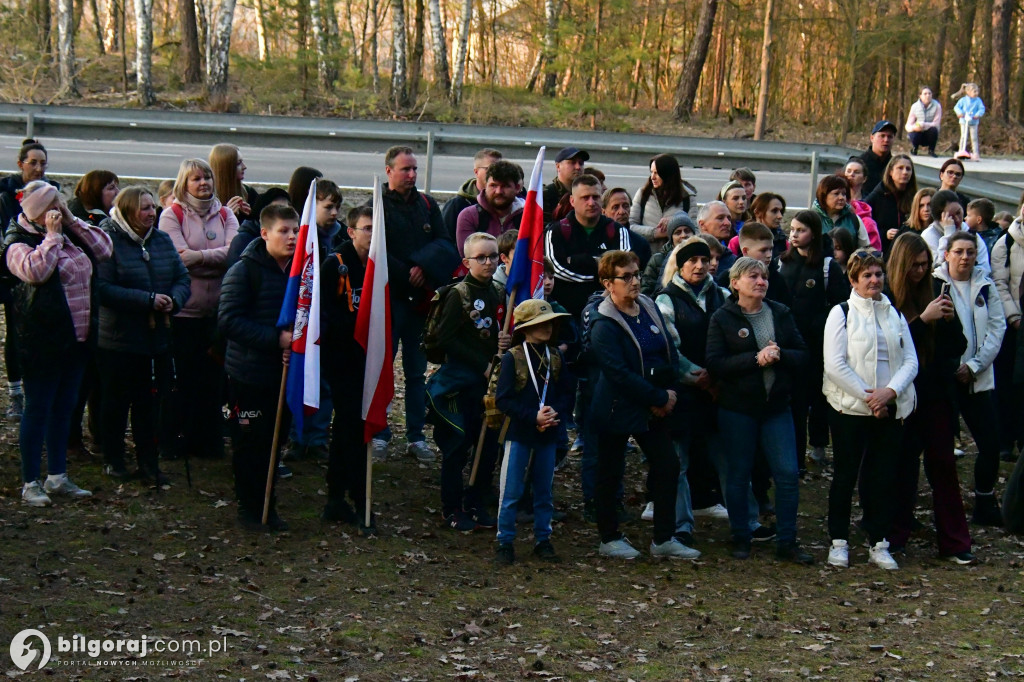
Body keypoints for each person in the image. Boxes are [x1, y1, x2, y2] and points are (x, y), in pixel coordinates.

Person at [1, 180, 113, 506]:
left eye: (59, 205)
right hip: (41, 343)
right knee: (38, 410)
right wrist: (52, 237)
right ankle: (29, 481)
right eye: (52, 207)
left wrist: (72, 220)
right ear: (37, 214)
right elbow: (37, 272)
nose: (57, 212)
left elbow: (104, 250)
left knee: (65, 409)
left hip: (76, 339)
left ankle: (57, 476)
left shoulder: (69, 231)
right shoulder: (16, 243)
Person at [705, 257, 813, 564]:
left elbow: (803, 354)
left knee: (788, 474)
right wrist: (755, 359)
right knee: (739, 474)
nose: (761, 282)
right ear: (736, 283)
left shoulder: (780, 313)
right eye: (753, 277)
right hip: (737, 409)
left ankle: (787, 540)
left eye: (764, 277)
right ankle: (741, 535)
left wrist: (780, 356)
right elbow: (715, 364)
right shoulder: (722, 318)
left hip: (776, 408)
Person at [589, 250, 694, 560]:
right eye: (627, 277)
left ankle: (664, 537)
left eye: (636, 274)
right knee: (610, 471)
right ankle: (609, 537)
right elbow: (618, 373)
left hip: (655, 404)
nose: (635, 282)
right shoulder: (603, 323)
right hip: (617, 407)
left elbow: (669, 350)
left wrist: (669, 392)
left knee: (667, 465)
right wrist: (658, 397)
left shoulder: (648, 305)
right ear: (609, 283)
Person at [824, 249, 918, 570]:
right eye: (867, 275)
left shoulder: (895, 314)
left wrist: (889, 393)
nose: (874, 280)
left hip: (890, 409)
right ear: (854, 279)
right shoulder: (842, 313)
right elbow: (835, 365)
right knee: (845, 475)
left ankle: (879, 541)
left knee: (882, 477)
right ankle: (838, 541)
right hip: (851, 409)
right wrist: (870, 398)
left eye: (878, 274)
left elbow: (910, 361)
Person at [886, 233, 976, 563]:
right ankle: (894, 536)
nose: (921, 271)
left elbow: (956, 347)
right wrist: (923, 320)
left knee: (943, 466)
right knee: (902, 469)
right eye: (915, 265)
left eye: (925, 265)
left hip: (936, 395)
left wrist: (949, 323)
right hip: (903, 394)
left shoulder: (935, 291)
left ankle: (954, 542)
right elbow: (893, 346)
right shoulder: (887, 297)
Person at [96, 186, 190, 484]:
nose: (152, 213)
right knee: (116, 402)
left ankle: (149, 462)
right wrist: (146, 300)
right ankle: (114, 457)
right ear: (127, 212)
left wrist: (174, 299)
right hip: (119, 340)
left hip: (156, 338)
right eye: (145, 208)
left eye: (153, 207)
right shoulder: (108, 242)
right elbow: (102, 289)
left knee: (149, 403)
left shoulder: (161, 240)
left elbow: (181, 277)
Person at [375, 145, 459, 462]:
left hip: (419, 303)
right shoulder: (378, 203)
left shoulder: (426, 204)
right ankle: (380, 433)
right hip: (391, 299)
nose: (411, 175)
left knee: (415, 371)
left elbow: (445, 242)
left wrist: (423, 268)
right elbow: (376, 248)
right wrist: (406, 271)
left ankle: (415, 435)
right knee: (383, 369)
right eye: (405, 169)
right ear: (389, 171)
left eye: (414, 169)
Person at [218, 204, 298, 532]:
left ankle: (268, 504)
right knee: (250, 443)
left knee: (274, 442)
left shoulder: (299, 274)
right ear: (265, 233)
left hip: (283, 376)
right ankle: (249, 508)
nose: (291, 237)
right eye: (284, 231)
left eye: (295, 231)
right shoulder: (244, 271)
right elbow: (228, 321)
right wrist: (274, 340)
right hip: (249, 375)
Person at [655, 238, 737, 544]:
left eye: (706, 260)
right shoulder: (667, 300)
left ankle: (746, 521)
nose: (701, 266)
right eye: (694, 261)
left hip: (719, 390)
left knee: (729, 459)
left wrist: (717, 378)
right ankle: (681, 525)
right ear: (681, 264)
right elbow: (668, 347)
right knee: (679, 462)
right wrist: (696, 376)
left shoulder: (725, 296)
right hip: (685, 393)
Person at [159, 158, 240, 460]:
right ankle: (174, 441)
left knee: (213, 381)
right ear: (184, 183)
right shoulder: (172, 215)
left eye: (207, 177)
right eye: (196, 179)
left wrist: (199, 257)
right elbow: (178, 258)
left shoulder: (226, 214)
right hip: (184, 313)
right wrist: (211, 258)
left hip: (218, 313)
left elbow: (234, 254)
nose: (204, 183)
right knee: (183, 381)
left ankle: (208, 441)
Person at [428, 233, 510, 531]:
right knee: (457, 445)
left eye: (493, 256)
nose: (488, 262)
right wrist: (482, 363)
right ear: (467, 262)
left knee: (487, 443)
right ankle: (452, 507)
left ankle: (476, 501)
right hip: (460, 382)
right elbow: (445, 338)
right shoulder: (457, 294)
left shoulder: (500, 292)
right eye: (481, 258)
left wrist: (504, 340)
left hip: (488, 384)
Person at [933, 231, 1007, 525]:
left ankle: (985, 501)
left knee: (990, 442)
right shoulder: (936, 285)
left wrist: (975, 366)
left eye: (970, 252)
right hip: (945, 379)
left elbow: (996, 328)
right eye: (959, 252)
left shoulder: (985, 286)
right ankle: (943, 507)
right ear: (947, 254)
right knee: (941, 448)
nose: (965, 257)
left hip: (976, 378)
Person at [493, 299, 573, 565]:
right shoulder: (512, 358)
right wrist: (532, 417)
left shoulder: (557, 357)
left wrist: (552, 415)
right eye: (541, 323)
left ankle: (543, 539)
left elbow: (565, 394)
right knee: (511, 490)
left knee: (544, 491)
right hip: (519, 433)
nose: (547, 328)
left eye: (550, 322)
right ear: (525, 328)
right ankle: (504, 541)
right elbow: (503, 400)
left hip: (548, 433)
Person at [320, 206, 382, 534]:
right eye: (367, 228)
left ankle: (339, 497)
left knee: (352, 430)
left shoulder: (379, 264)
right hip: (343, 361)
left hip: (369, 362)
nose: (372, 234)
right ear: (351, 231)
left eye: (376, 228)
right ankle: (354, 498)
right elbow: (327, 316)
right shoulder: (337, 265)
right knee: (351, 429)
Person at [778, 210, 849, 472]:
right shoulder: (782, 263)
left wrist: (821, 325)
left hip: (818, 345)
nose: (794, 235)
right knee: (795, 401)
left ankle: (818, 446)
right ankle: (795, 457)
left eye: (801, 230)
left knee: (819, 397)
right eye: (792, 230)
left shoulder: (827, 267)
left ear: (814, 234)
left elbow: (840, 306)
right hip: (790, 345)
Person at [284, 179, 348, 462]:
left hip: (330, 323)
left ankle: (319, 437)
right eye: (328, 207)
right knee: (302, 377)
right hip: (305, 321)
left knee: (324, 385)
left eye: (337, 207)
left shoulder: (342, 238)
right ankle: (298, 436)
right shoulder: (302, 238)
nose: (334, 213)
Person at [0, 139, 58, 420]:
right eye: (32, 162)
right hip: (13, 271)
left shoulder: (52, 190)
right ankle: (16, 394)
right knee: (15, 332)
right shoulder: (5, 195)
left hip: (47, 269)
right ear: (20, 164)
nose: (38, 168)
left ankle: (42, 392)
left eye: (42, 163)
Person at [544, 174, 632, 318]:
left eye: (595, 197)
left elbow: (624, 269)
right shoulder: (555, 232)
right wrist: (601, 271)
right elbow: (557, 271)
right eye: (585, 198)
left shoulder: (618, 231)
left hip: (609, 314)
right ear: (572, 201)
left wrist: (578, 260)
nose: (591, 203)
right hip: (566, 315)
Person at [991, 208, 1024, 460]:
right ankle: (1005, 439)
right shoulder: (1008, 240)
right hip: (1013, 323)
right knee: (1008, 384)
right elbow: (999, 282)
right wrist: (1013, 316)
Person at [455, 160, 523, 254]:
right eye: (493, 186)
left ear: (517, 188)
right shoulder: (469, 216)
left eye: (505, 186)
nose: (498, 191)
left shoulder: (528, 217)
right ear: (485, 186)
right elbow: (469, 256)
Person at [630, 154, 690, 250]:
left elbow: (695, 230)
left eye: (657, 173)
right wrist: (655, 233)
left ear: (668, 174)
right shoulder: (643, 194)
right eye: (651, 172)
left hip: (675, 257)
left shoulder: (687, 197)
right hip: (648, 256)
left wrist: (675, 221)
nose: (652, 177)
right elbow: (631, 226)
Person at [865, 154, 918, 257]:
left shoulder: (914, 197)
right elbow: (865, 226)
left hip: (907, 251)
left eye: (908, 169)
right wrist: (884, 234)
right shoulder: (877, 195)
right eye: (900, 168)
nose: (905, 172)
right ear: (890, 172)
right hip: (882, 252)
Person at [226, 187, 292, 268]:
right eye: (276, 211)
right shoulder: (243, 240)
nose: (283, 216)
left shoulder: (292, 239)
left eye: (288, 211)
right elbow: (234, 277)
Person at [442, 148, 502, 235]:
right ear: (476, 171)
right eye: (490, 169)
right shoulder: (457, 205)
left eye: (500, 169)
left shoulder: (509, 201)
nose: (496, 173)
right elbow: (445, 240)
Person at [641, 214, 696, 296]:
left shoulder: (702, 258)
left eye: (687, 231)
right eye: (678, 232)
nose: (683, 235)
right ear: (671, 238)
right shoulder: (657, 260)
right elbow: (646, 291)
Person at [812, 175, 871, 251]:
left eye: (844, 194)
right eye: (836, 194)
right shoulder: (811, 219)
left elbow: (866, 249)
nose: (841, 198)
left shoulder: (854, 219)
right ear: (824, 196)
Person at [209, 143, 260, 221]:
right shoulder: (207, 198)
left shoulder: (248, 192)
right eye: (238, 163)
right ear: (225, 168)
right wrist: (225, 216)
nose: (244, 167)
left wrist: (253, 215)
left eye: (242, 161)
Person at [842, 158, 881, 249]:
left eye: (856, 172)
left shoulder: (870, 202)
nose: (851, 174)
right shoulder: (838, 201)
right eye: (849, 171)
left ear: (864, 179)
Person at [543, 147, 588, 223]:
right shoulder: (546, 194)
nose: (578, 167)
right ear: (558, 166)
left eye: (581, 163)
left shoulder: (588, 195)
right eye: (572, 162)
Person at [859, 120, 896, 195]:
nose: (886, 140)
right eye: (882, 136)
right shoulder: (859, 163)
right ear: (872, 138)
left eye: (890, 137)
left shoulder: (895, 165)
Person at [697, 201, 736, 273]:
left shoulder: (733, 261)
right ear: (702, 224)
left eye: (729, 218)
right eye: (720, 218)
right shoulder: (686, 253)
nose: (727, 223)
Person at [952, 82, 985, 161]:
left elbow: (982, 108)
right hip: (964, 121)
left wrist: (978, 114)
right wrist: (960, 113)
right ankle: (961, 151)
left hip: (973, 122)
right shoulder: (963, 100)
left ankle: (975, 153)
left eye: (977, 91)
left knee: (974, 138)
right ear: (968, 92)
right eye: (974, 91)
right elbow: (956, 107)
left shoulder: (978, 101)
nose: (976, 93)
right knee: (963, 136)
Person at [905, 86, 942, 156]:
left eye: (929, 93)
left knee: (934, 130)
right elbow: (908, 125)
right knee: (913, 133)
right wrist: (914, 128)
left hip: (929, 132)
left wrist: (924, 125)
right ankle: (914, 148)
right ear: (920, 96)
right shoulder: (914, 106)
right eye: (925, 94)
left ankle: (931, 150)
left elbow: (936, 123)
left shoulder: (937, 106)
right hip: (918, 132)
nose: (928, 95)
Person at [749, 192, 788, 256]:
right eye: (774, 211)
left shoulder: (782, 240)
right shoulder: (738, 240)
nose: (780, 216)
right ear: (757, 213)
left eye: (781, 211)